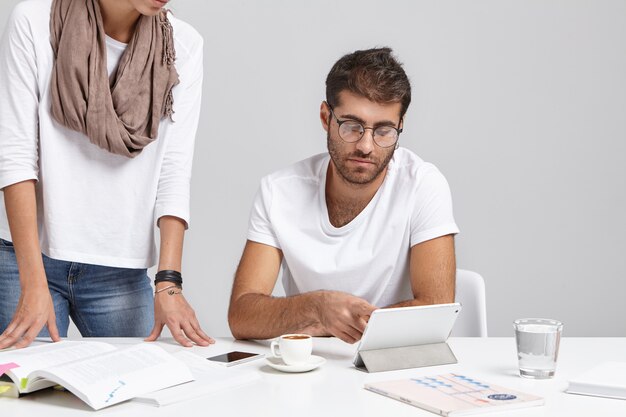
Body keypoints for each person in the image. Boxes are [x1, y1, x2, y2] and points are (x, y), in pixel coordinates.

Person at [0, 0, 213, 349]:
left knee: (141, 393)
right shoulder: (35, 20)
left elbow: (173, 170)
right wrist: (32, 282)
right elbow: (16, 157)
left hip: (119, 270)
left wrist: (168, 282)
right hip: (25, 259)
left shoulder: (183, 45)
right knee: (25, 394)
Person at [228, 47, 460, 344]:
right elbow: (241, 316)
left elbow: (435, 311)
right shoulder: (279, 191)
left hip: (391, 360)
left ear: (400, 126)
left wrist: (339, 321)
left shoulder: (423, 185)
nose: (366, 145)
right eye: (352, 126)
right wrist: (318, 308)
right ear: (326, 117)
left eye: (384, 130)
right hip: (309, 369)